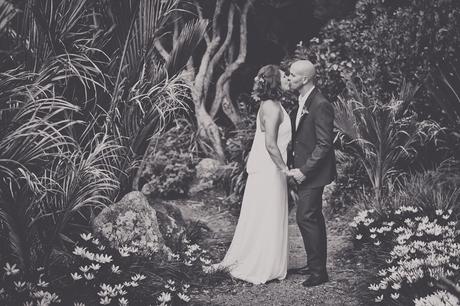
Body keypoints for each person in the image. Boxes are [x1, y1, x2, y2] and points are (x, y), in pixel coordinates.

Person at [214, 64, 292, 284]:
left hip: (269, 168)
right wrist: (285, 170)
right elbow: (270, 145)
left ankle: (266, 259)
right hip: (270, 169)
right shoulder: (272, 108)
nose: (288, 79)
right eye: (284, 76)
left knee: (266, 213)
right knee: (267, 213)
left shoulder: (272, 104)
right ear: (275, 81)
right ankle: (261, 263)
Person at [286, 60, 337, 287]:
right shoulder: (302, 100)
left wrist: (304, 171)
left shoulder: (320, 103)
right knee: (312, 216)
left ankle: (319, 273)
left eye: (292, 75)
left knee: (306, 217)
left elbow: (325, 144)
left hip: (313, 172)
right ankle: (314, 263)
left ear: (305, 79)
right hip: (304, 169)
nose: (289, 78)